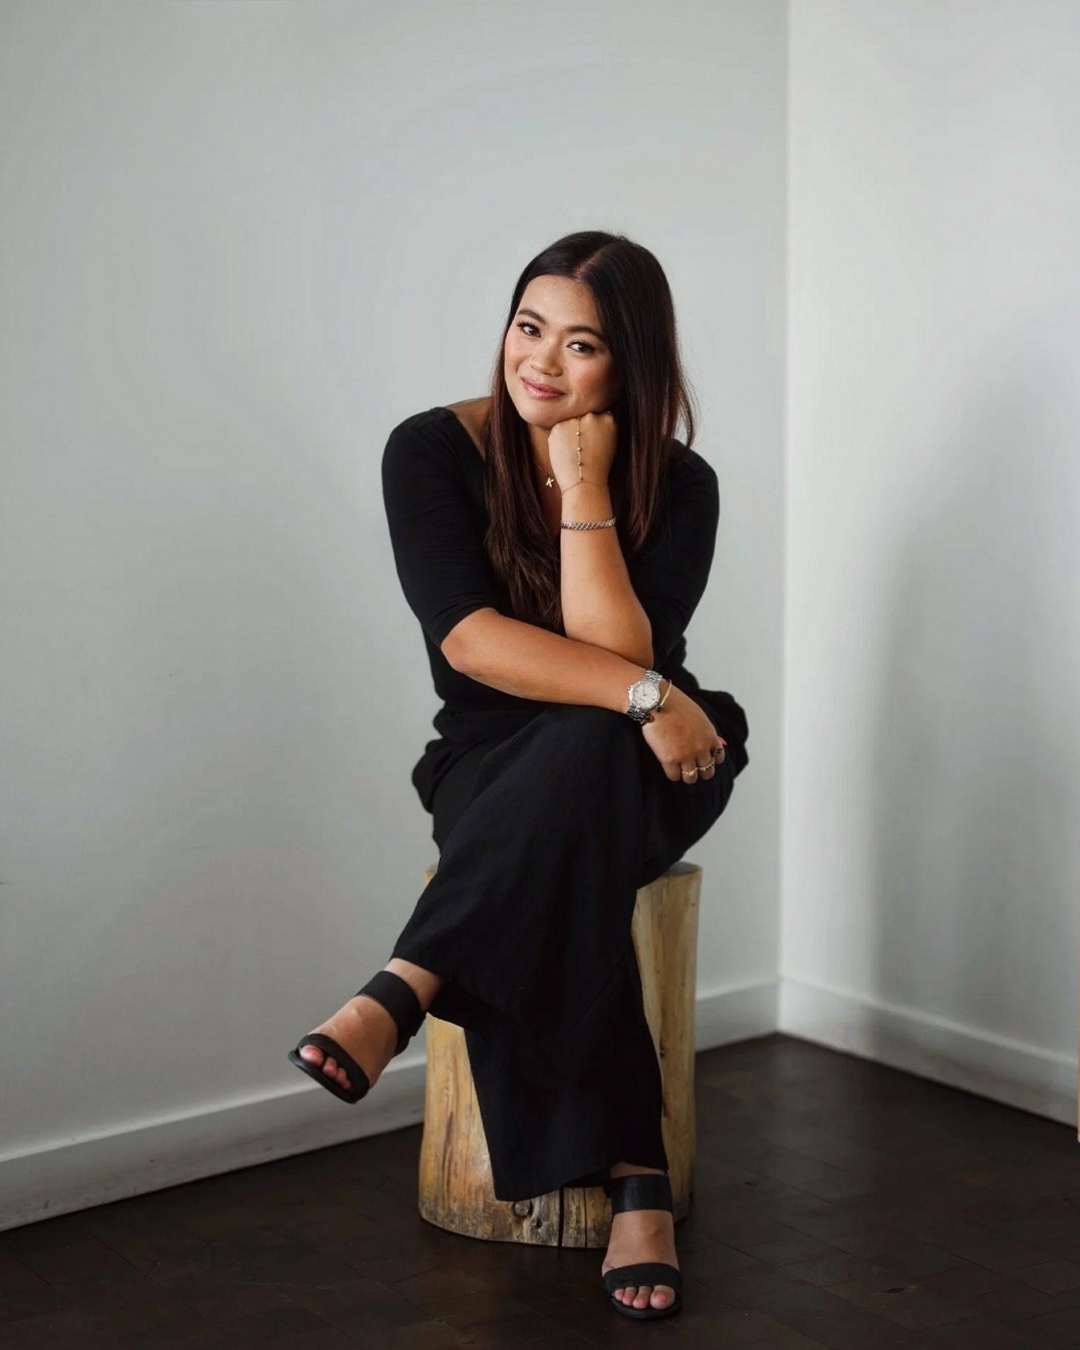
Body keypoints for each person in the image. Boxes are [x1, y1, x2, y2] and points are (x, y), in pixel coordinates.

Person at [288, 230, 750, 1321]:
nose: (539, 360)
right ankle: (639, 1184)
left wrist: (580, 484)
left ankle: (405, 985)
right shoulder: (431, 450)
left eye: (580, 344)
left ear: (628, 367)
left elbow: (624, 653)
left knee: (592, 746)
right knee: (578, 781)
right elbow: (471, 643)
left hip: (659, 761)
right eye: (528, 326)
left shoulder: (681, 485)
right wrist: (640, 696)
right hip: (499, 758)